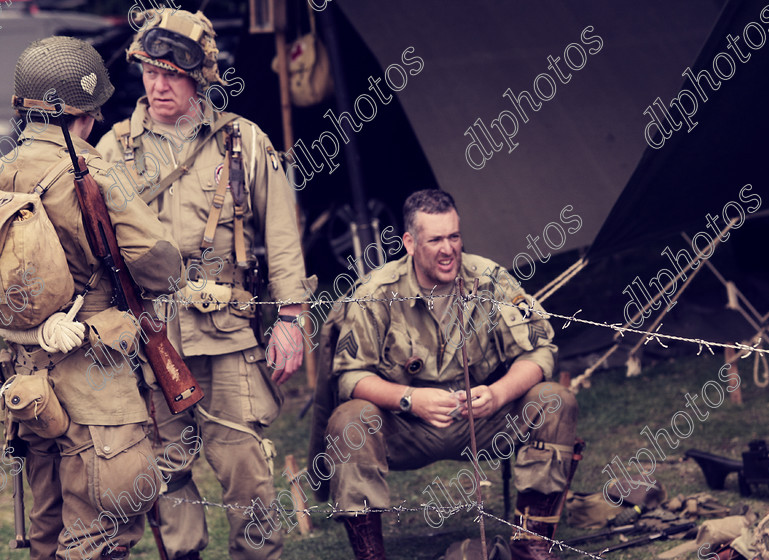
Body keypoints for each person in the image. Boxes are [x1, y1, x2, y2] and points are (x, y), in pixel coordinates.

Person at [96, 9, 312, 560]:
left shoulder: (243, 141)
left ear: (201, 76)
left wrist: (291, 318)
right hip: (150, 338)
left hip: (227, 333)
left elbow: (282, 233)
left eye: (172, 72)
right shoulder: (114, 150)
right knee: (167, 472)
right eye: (150, 70)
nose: (158, 83)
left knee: (245, 469)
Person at [320, 189, 579, 560]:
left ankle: (532, 542)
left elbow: (540, 351)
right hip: (406, 426)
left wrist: (500, 393)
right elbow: (348, 377)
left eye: (454, 236)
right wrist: (408, 399)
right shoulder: (377, 292)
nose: (448, 249)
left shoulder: (489, 280)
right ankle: (370, 554)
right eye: (436, 239)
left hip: (484, 417)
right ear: (409, 242)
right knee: (349, 420)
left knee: (555, 400)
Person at [1, 36, 184, 559]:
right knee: (99, 534)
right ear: (90, 111)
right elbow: (161, 265)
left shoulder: (3, 172)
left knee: (45, 527)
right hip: (94, 379)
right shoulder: (96, 173)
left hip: (27, 380)